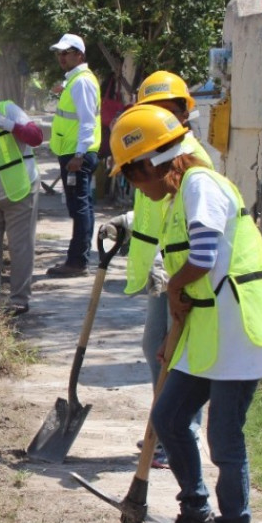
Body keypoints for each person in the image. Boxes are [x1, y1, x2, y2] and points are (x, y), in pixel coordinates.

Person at [107, 103, 262, 523]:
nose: (134, 187)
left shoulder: (202, 187)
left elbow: (205, 257)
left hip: (239, 331)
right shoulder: (179, 193)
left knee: (225, 439)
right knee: (169, 417)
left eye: (131, 176)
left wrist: (173, 286)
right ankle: (196, 514)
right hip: (209, 331)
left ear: (150, 162)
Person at [103, 71, 212, 468]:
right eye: (152, 109)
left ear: (184, 111)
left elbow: (191, 216)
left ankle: (179, 432)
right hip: (160, 263)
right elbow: (157, 204)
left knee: (175, 353)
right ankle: (165, 429)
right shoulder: (152, 150)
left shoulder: (189, 157)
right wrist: (129, 221)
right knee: (156, 348)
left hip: (181, 266)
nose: (160, 117)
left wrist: (178, 277)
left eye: (167, 109)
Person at [46, 33, 102, 277]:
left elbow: (88, 122)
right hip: (72, 153)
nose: (61, 57)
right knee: (80, 207)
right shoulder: (75, 80)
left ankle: (77, 262)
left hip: (77, 155)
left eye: (66, 53)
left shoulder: (82, 82)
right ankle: (77, 259)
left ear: (79, 54)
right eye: (59, 53)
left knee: (80, 208)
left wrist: (79, 155)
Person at [0, 96, 43, 316]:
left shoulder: (7, 109)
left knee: (20, 248)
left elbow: (36, 137)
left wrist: (9, 125)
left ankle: (19, 299)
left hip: (19, 192)